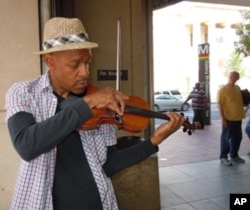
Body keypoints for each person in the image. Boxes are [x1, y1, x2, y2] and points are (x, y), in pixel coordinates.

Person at [5, 17, 185, 210]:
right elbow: (26, 145)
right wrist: (87, 103)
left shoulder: (102, 106)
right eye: (75, 65)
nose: (84, 72)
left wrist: (153, 141)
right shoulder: (24, 93)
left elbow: (109, 164)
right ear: (50, 61)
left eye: (87, 63)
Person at [217, 71, 246, 166]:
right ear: (229, 77)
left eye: (236, 77)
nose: (234, 78)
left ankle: (234, 156)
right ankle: (223, 157)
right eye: (232, 76)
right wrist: (223, 119)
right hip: (228, 119)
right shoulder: (222, 90)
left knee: (237, 138)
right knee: (226, 138)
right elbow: (219, 105)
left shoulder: (237, 88)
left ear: (238, 79)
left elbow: (240, 102)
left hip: (238, 118)